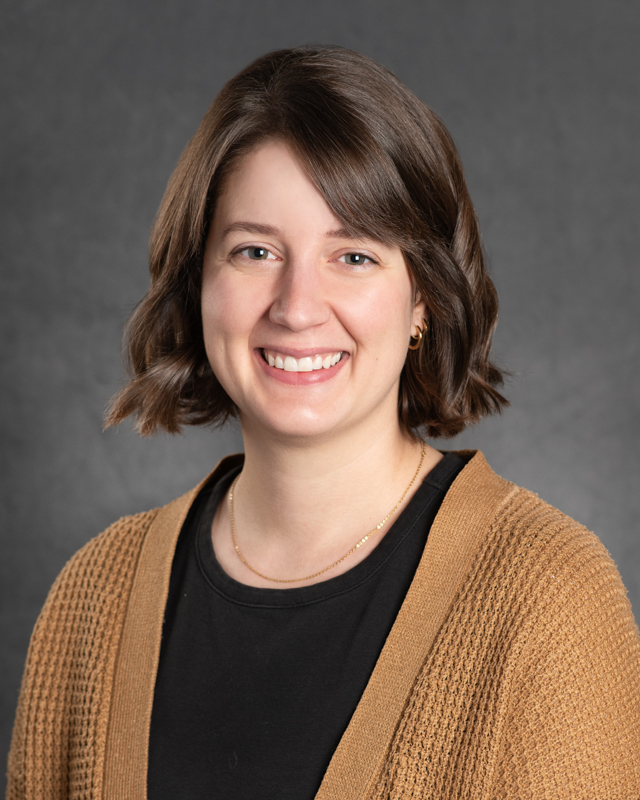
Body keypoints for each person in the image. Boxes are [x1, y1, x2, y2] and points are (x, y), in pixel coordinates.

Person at [7, 45, 640, 800]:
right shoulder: (92, 599)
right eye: (255, 251)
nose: (297, 306)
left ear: (423, 298)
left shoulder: (549, 599)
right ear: (197, 280)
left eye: (354, 257)